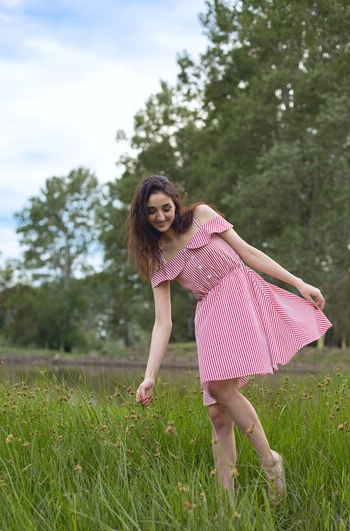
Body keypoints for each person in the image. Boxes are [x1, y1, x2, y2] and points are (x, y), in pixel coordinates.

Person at [127, 175, 331, 502]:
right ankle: (226, 504)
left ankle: (270, 461)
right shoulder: (157, 256)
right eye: (152, 212)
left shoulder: (204, 216)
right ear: (143, 215)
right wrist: (149, 376)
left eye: (166, 207)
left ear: (176, 203)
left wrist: (299, 282)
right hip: (209, 316)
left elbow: (249, 252)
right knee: (217, 414)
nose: (161, 216)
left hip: (239, 296)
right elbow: (162, 322)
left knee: (220, 389)